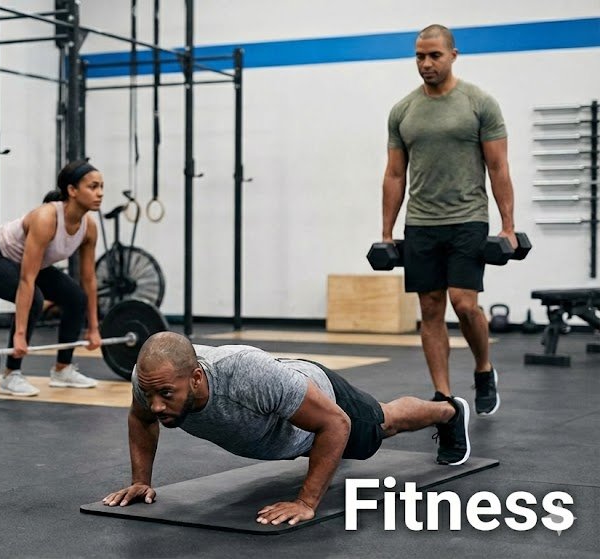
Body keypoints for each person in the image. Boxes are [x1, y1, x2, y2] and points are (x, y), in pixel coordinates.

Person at [102, 332, 470, 527]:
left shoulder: (246, 375)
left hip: (320, 399)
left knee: (383, 423)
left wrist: (305, 502)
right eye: (151, 394)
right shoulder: (150, 378)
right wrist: (141, 480)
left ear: (197, 378)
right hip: (284, 412)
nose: (157, 405)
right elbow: (141, 417)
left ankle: (449, 411)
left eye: (166, 394)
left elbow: (335, 423)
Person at [380, 24, 515, 415]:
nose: (426, 63)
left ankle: (483, 367)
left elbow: (498, 167)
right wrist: (386, 233)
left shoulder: (479, 103)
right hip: (421, 222)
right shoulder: (403, 110)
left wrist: (506, 225)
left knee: (465, 304)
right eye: (420, 56)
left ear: (453, 55)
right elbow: (394, 174)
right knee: (431, 307)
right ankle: (442, 395)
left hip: (468, 217)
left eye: (434, 55)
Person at [0, 160, 105, 397]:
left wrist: (94, 328)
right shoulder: (46, 218)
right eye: (93, 187)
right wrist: (19, 336)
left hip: (22, 263)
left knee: (75, 297)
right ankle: (11, 375)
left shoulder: (88, 228)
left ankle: (63, 370)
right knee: (34, 299)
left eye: (102, 186)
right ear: (72, 191)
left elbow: (89, 279)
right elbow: (27, 280)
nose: (100, 193)